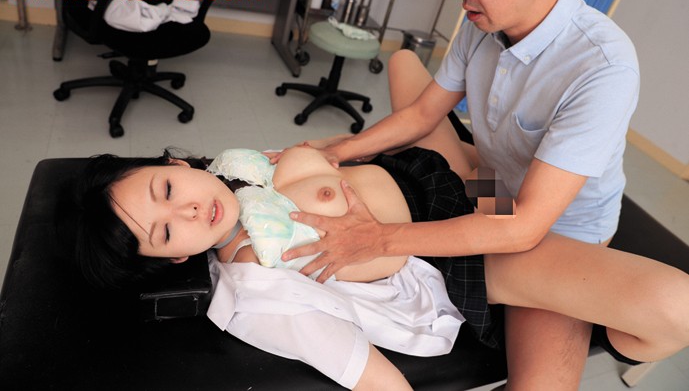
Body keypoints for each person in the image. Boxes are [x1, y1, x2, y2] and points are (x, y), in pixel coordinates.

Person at [269, 0, 659, 388]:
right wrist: (338, 151)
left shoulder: (603, 66)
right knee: (405, 67)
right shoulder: (485, 24)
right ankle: (468, 163)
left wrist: (378, 239)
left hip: (554, 232)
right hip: (491, 184)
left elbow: (523, 228)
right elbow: (422, 114)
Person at [72, 140, 689, 390]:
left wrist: (332, 155)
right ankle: (630, 347)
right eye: (165, 232)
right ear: (176, 256)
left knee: (415, 76)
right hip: (464, 250)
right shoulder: (255, 281)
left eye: (165, 189)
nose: (186, 210)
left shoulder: (239, 170)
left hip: (440, 174)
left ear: (175, 164)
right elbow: (376, 381)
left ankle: (539, 216)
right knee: (676, 308)